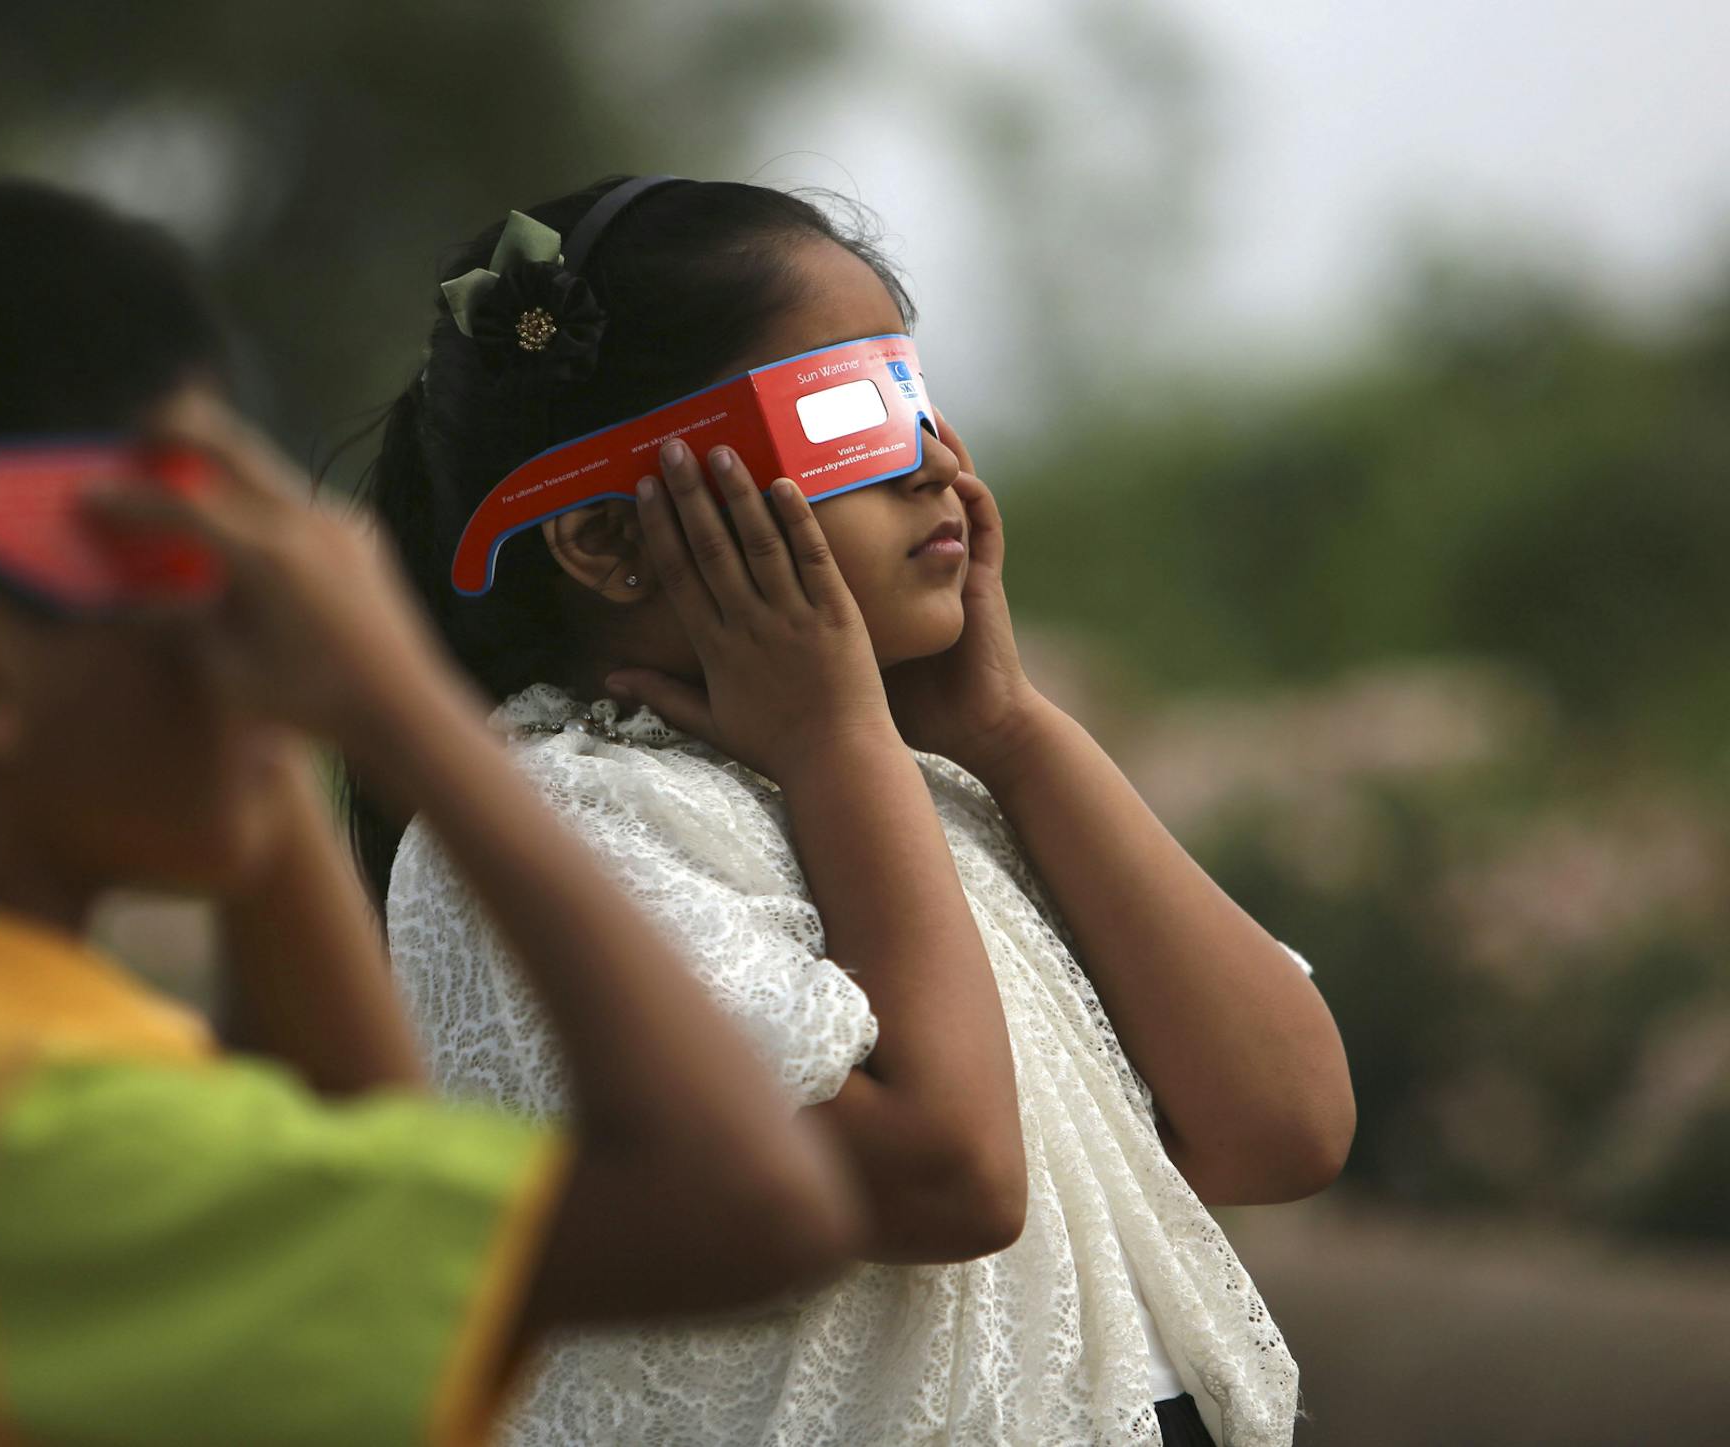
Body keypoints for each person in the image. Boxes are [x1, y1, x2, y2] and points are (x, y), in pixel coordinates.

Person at [0, 180, 863, 1447]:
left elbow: (358, 1149)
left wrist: (276, 728)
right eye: (202, 563)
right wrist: (401, 710)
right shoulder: (41, 1150)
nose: (269, 617)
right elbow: (754, 1208)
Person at [350, 175, 1357, 1447]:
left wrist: (1011, 731)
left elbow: (1288, 1126)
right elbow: (952, 1177)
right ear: (609, 538)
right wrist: (838, 742)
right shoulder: (542, 826)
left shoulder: (934, 785)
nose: (937, 464)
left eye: (916, 399)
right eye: (846, 418)